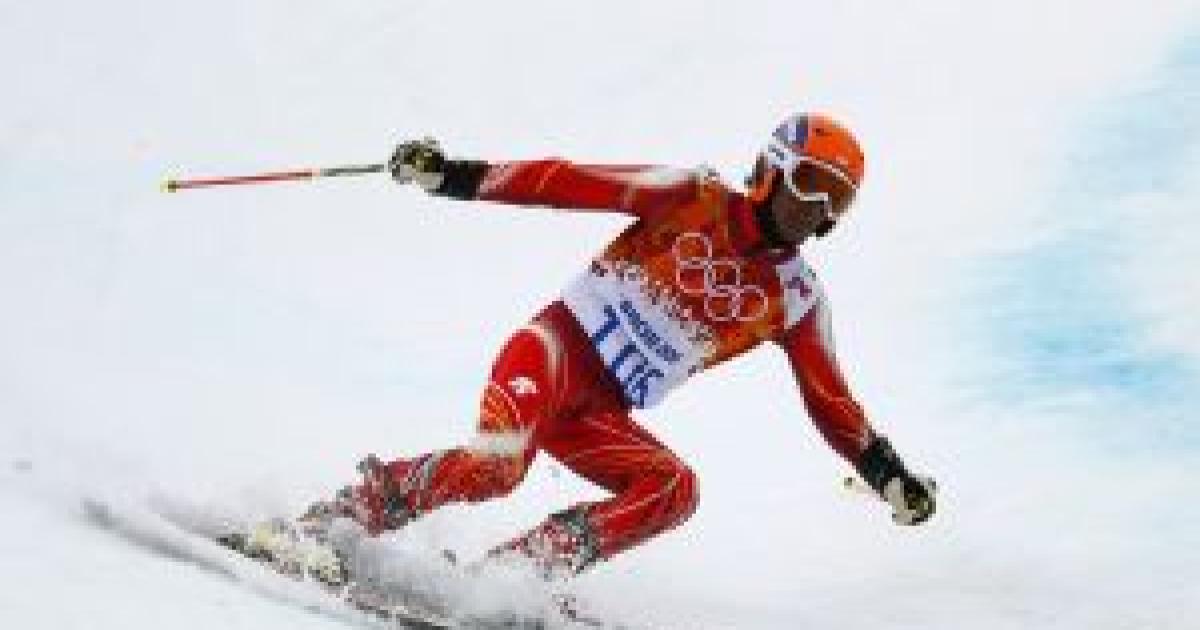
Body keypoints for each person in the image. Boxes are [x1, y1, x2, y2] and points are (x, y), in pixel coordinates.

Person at [307, 112, 936, 579]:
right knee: (499, 468)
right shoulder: (692, 195)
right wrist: (453, 176)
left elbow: (831, 402)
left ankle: (514, 576)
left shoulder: (798, 300)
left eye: (838, 199)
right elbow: (566, 182)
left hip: (597, 413)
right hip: (553, 353)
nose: (819, 208)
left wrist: (888, 476)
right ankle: (337, 520)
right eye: (811, 184)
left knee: (674, 488)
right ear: (772, 170)